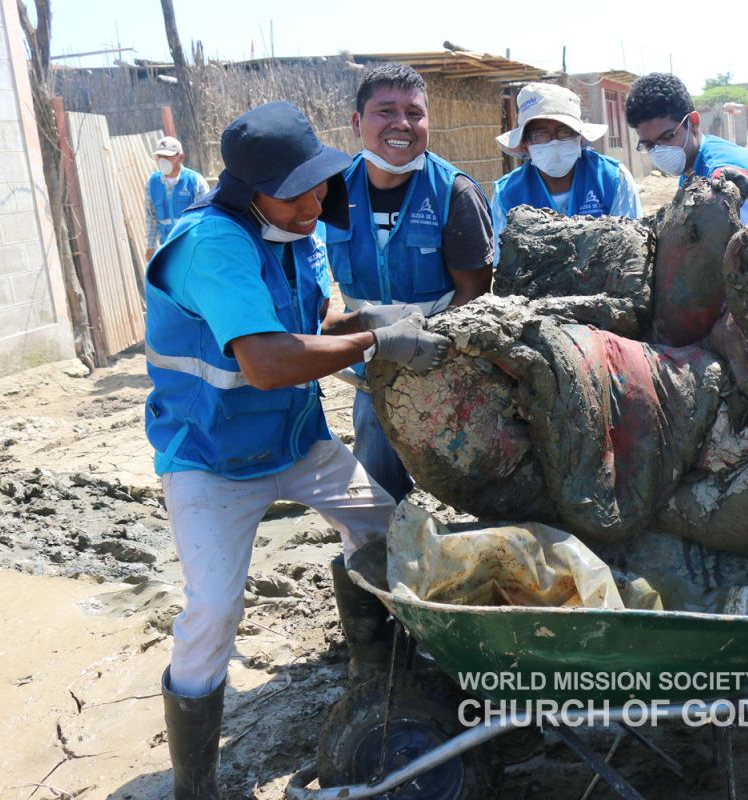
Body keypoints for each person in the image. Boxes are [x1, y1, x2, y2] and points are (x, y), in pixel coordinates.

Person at [143, 101, 449, 798]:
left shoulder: (292, 230)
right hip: (212, 459)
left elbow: (310, 322)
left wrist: (364, 319)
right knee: (213, 611)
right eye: (297, 194)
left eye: (319, 186)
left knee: (386, 530)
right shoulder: (212, 247)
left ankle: (373, 672)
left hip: (297, 441)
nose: (316, 204)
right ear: (251, 191)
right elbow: (268, 361)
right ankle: (195, 783)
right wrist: (376, 343)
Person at [325, 62, 494, 504]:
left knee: (469, 479)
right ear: (357, 122)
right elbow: (311, 287)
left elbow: (475, 292)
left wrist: (429, 352)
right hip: (371, 362)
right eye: (386, 111)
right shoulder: (330, 193)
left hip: (445, 358)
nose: (402, 124)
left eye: (414, 114)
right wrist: (373, 344)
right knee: (377, 481)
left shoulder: (455, 193)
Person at [624, 72, 748, 232]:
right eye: (649, 145)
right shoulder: (691, 167)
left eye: (667, 137)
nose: (660, 151)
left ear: (693, 123)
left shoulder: (726, 178)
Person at [492, 82, 641, 251]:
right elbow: (504, 259)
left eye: (565, 132)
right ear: (525, 144)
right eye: (540, 135)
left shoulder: (612, 179)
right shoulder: (507, 194)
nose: (554, 142)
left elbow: (629, 250)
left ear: (579, 137)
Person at [144, 135, 209, 260]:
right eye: (159, 156)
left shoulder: (195, 181)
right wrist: (150, 246)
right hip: (167, 249)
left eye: (167, 156)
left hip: (192, 249)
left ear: (181, 157)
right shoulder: (152, 183)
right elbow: (151, 217)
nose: (162, 160)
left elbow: (205, 217)